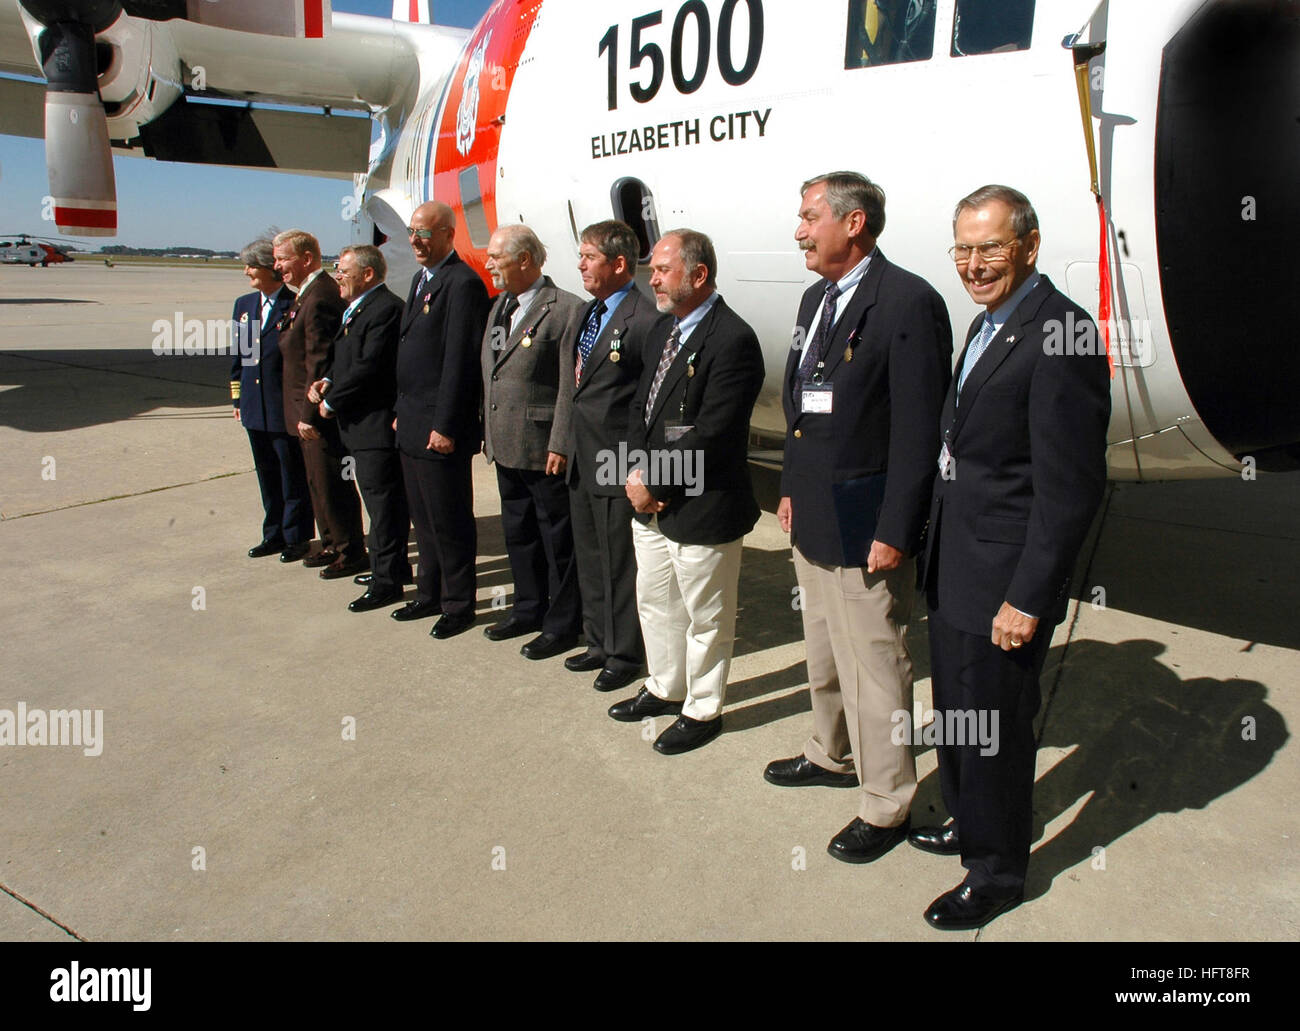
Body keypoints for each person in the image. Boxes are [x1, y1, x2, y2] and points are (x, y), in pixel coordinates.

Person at [916, 185, 1110, 929]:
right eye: (962, 248)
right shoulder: (989, 323)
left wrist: (1029, 595)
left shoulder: (1061, 332)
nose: (973, 263)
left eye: (990, 247)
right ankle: (971, 821)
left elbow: (1069, 490)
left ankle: (996, 871)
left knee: (995, 725)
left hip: (1003, 580)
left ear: (1028, 245)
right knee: (960, 717)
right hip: (956, 567)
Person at [766, 172, 953, 864]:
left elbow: (917, 430)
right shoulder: (818, 297)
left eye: (809, 216)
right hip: (811, 512)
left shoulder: (907, 302)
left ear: (854, 223)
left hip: (866, 523)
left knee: (876, 668)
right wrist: (789, 485)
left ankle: (886, 802)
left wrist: (897, 528)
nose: (798, 230)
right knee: (823, 652)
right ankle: (829, 751)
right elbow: (801, 407)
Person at [607, 229, 764, 755]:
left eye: (663, 270)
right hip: (649, 501)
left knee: (706, 617)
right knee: (655, 603)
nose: (652, 278)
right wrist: (635, 474)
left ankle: (702, 708)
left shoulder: (733, 339)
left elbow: (714, 433)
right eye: (652, 269)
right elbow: (641, 410)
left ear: (698, 275)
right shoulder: (662, 331)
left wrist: (655, 483)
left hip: (702, 505)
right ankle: (665, 686)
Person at [480, 224, 587, 660]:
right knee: (518, 533)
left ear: (525, 259)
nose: (488, 265)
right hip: (505, 443)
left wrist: (561, 442)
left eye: (495, 257)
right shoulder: (501, 306)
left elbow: (569, 386)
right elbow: (494, 370)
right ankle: (528, 608)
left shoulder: (565, 309)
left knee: (556, 540)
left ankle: (562, 624)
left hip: (544, 448)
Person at [564, 220, 660, 692]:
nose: (580, 264)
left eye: (589, 256)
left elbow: (647, 403)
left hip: (618, 461)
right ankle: (598, 641)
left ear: (620, 264)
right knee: (591, 556)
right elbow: (578, 391)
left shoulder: (645, 319)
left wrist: (642, 466)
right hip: (583, 458)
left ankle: (624, 655)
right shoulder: (588, 312)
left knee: (620, 564)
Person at [392, 201, 491, 638]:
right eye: (413, 233)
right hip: (412, 420)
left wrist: (447, 425)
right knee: (424, 519)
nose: (416, 240)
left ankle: (457, 604)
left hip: (439, 427)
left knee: (449, 521)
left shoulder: (462, 283)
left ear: (449, 234)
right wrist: (400, 412)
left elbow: (459, 362)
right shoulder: (421, 279)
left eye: (425, 234)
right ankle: (428, 593)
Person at [311, 245, 411, 613]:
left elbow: (369, 367)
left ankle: (387, 582)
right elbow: (345, 358)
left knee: (383, 508)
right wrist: (326, 380)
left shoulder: (384, 309)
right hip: (360, 426)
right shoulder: (360, 308)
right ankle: (393, 567)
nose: (338, 275)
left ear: (367, 274)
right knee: (380, 504)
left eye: (344, 269)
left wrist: (332, 400)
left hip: (375, 426)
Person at [271, 229, 368, 580]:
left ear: (307, 258)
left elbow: (320, 361)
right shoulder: (306, 294)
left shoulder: (322, 295)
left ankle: (349, 550)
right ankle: (330, 542)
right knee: (316, 480)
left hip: (315, 411)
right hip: (301, 408)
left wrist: (310, 413)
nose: (277, 265)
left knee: (331, 482)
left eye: (283, 258)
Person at [229, 238, 313, 563]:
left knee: (291, 475)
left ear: (270, 269)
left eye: (252, 265)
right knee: (266, 473)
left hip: (283, 408)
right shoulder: (245, 305)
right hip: (254, 405)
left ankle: (297, 536)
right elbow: (242, 355)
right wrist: (238, 399)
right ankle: (273, 533)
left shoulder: (294, 304)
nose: (247, 271)